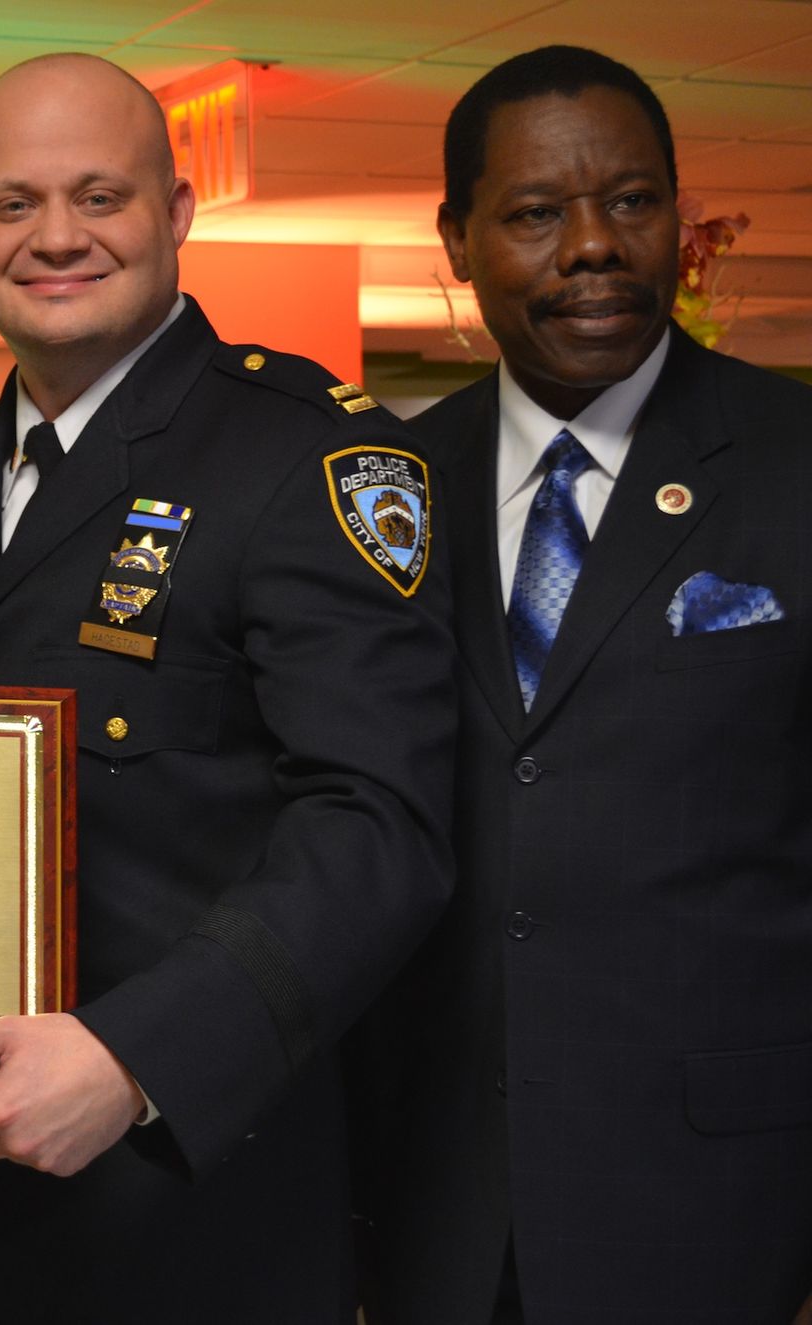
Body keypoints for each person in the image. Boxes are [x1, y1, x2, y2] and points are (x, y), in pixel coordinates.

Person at [0, 52, 457, 1321]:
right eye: (12, 204)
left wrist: (135, 1055)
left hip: (180, 1212)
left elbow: (378, 825)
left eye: (97, 196)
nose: (53, 237)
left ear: (176, 212)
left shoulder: (307, 456)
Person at [353, 46, 812, 1324]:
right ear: (455, 240)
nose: (592, 246)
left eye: (630, 200)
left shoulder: (788, 463)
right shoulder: (379, 491)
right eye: (534, 212)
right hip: (436, 1195)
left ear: (678, 217)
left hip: (717, 1194)